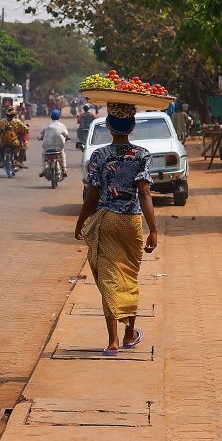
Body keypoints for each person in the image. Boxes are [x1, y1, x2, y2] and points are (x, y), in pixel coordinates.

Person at [75, 102, 158, 356]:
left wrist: (80, 222)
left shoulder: (99, 156)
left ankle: (112, 341)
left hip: (107, 220)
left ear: (109, 127)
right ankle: (129, 334)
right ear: (132, 127)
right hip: (132, 223)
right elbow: (144, 192)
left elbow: (91, 196)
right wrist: (153, 229)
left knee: (110, 278)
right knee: (129, 277)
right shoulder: (143, 154)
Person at [39, 109, 70, 177]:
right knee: (62, 154)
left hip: (47, 146)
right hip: (59, 146)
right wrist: (67, 138)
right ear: (59, 117)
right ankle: (64, 169)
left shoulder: (47, 125)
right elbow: (66, 135)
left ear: (51, 116)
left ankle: (44, 169)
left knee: (44, 155)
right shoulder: (62, 125)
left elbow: (42, 134)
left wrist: (41, 137)